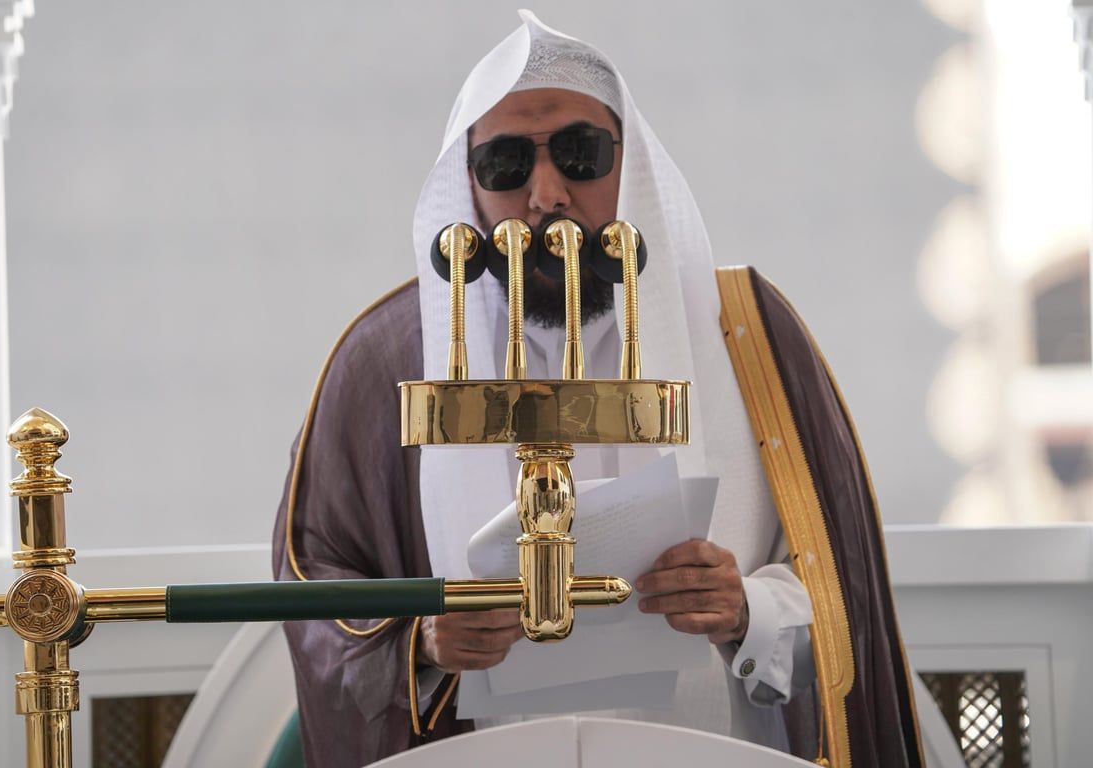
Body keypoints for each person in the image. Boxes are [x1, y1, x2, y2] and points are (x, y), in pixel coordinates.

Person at [273, 12, 923, 768]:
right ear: (469, 186)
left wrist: (747, 608)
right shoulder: (389, 358)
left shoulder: (748, 334)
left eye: (580, 154)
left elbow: (846, 600)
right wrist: (420, 639)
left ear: (630, 162)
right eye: (506, 164)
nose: (546, 195)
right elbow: (314, 585)